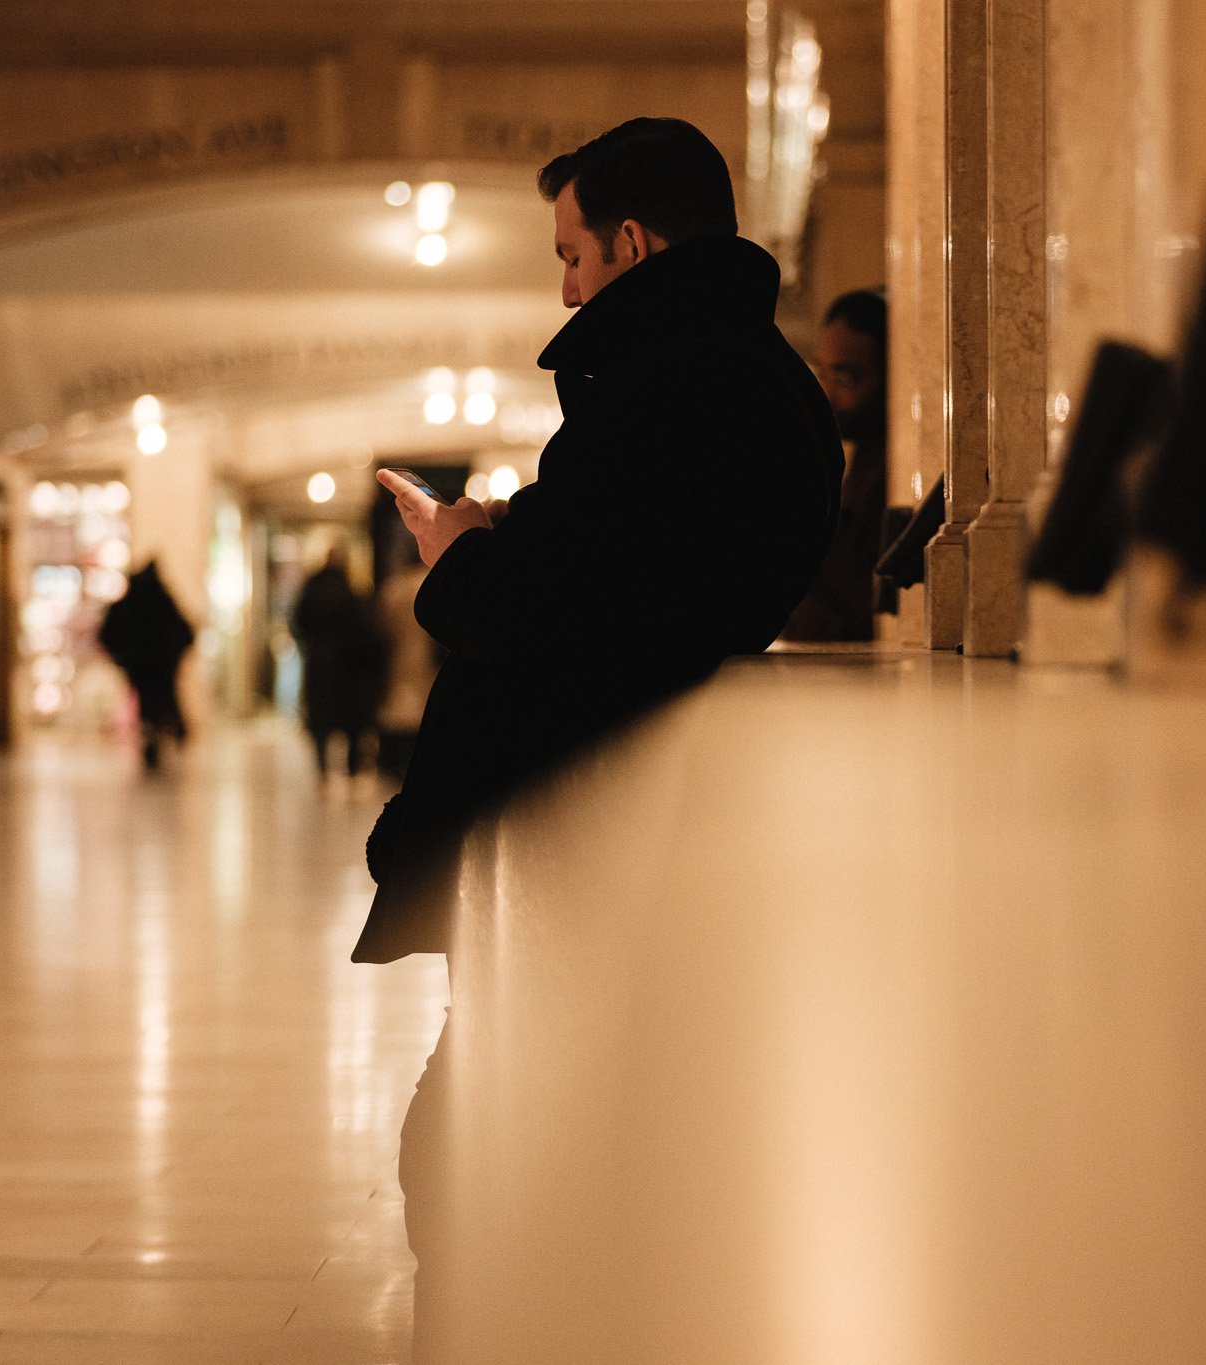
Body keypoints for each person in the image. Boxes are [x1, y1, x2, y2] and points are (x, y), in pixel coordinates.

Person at [357, 116, 841, 1351]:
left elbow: (551, 616)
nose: (565, 286)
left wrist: (462, 558)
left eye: (572, 255)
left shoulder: (661, 388)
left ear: (630, 242)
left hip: (580, 820)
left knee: (473, 1148)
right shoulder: (755, 386)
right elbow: (631, 577)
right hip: (640, 812)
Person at [782, 289, 890, 642]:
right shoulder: (857, 454)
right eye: (823, 374)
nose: (826, 393)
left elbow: (873, 602)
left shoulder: (894, 469)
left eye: (845, 378)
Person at [290, 548, 385, 777]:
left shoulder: (312, 590)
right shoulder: (351, 591)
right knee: (348, 718)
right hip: (345, 667)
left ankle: (323, 767)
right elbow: (361, 632)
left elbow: (298, 624)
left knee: (320, 717)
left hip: (318, 662)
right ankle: (350, 767)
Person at [97, 562, 194, 771]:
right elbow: (186, 633)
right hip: (160, 667)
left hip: (141, 668)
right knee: (163, 699)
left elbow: (107, 633)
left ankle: (161, 731)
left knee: (151, 703)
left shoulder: (130, 604)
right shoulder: (163, 603)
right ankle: (169, 728)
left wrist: (122, 657)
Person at [372, 550, 438, 783]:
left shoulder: (394, 587)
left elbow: (380, 624)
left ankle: (396, 762)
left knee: (398, 703)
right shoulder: (435, 579)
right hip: (428, 654)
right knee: (424, 703)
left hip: (398, 654)